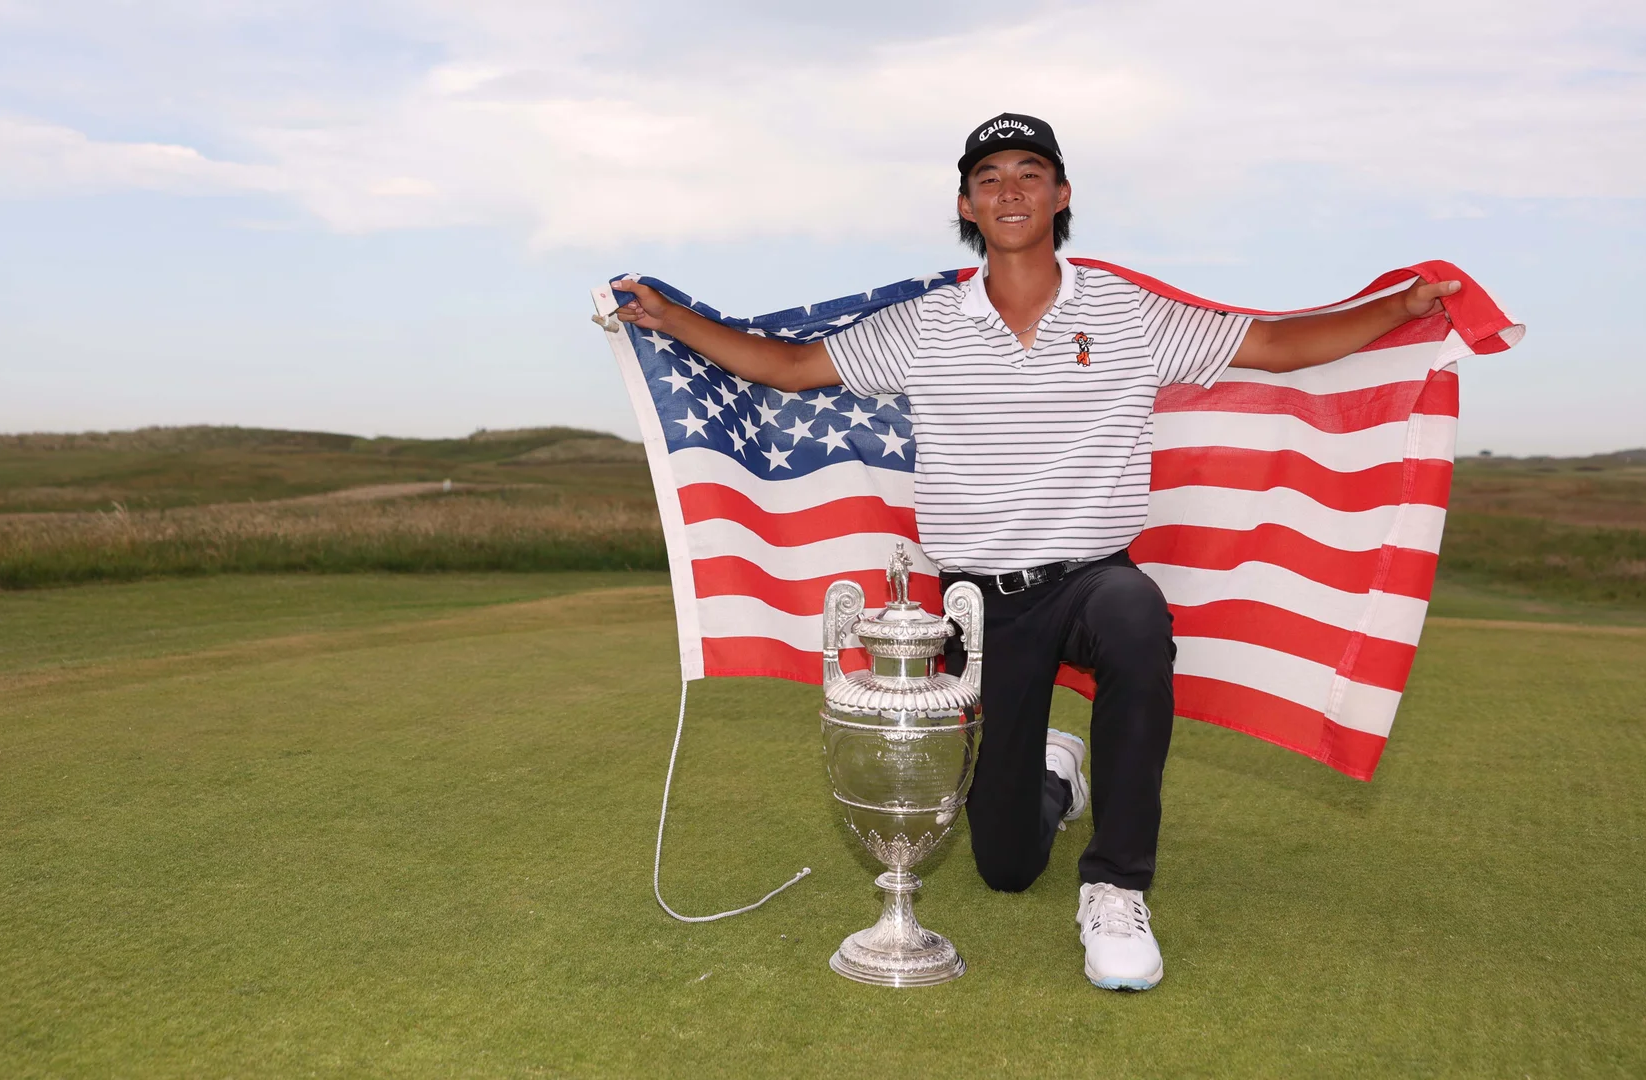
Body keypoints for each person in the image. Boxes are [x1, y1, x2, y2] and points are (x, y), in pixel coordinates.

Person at [612, 112, 1459, 992]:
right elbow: (786, 368)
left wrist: (1397, 309)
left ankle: (1117, 887)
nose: (1010, 190)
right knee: (1006, 865)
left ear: (1061, 196)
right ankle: (1054, 773)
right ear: (966, 207)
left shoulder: (1127, 314)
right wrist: (669, 317)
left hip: (1094, 578)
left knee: (1138, 618)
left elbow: (1279, 347)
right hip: (981, 606)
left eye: (1029, 173)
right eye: (990, 179)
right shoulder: (926, 325)